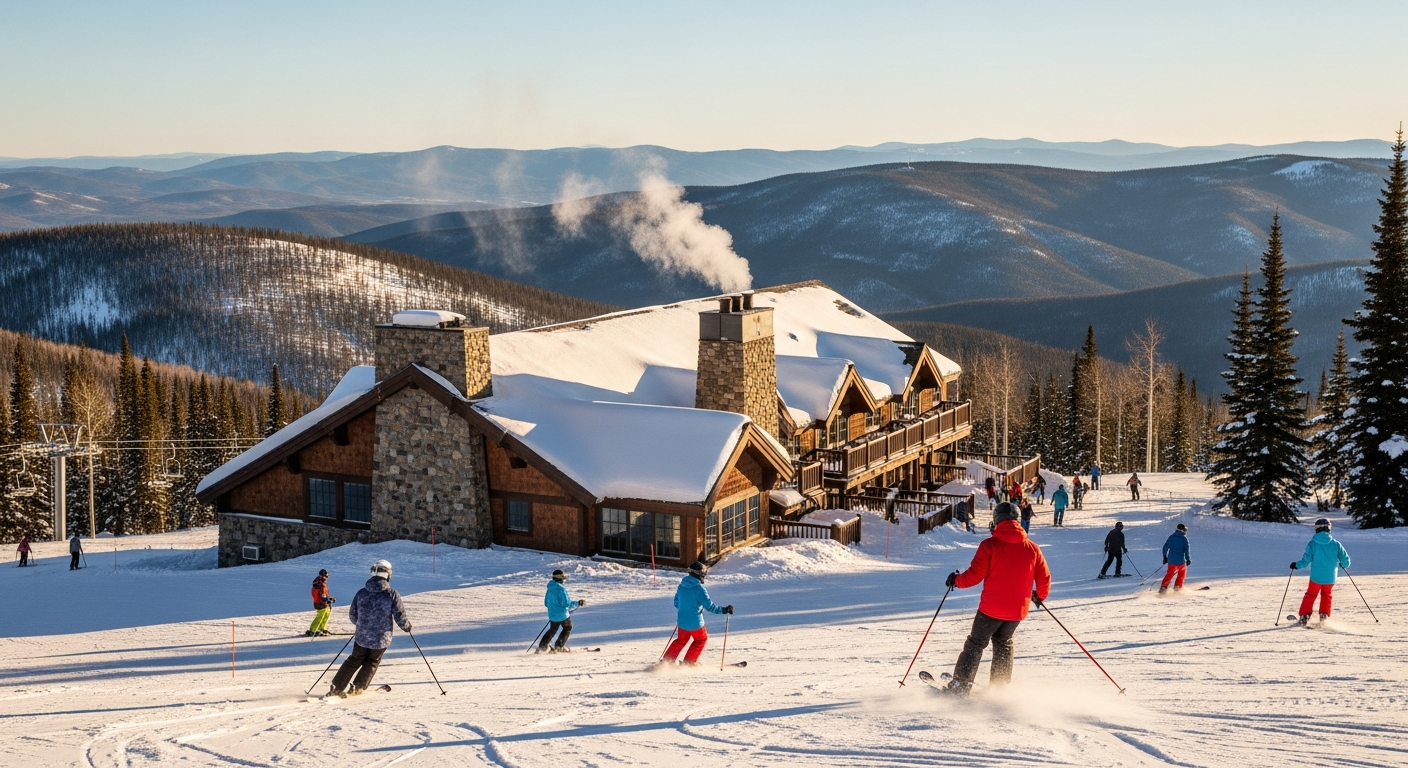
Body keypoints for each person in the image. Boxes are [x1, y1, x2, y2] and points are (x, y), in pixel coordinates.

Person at [941, 502, 1052, 696]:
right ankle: (999, 689)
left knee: (976, 643)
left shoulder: (990, 545)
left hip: (991, 609)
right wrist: (1039, 596)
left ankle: (960, 686)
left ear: (996, 520)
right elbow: (1044, 578)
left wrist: (956, 580)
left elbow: (974, 576)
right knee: (1003, 642)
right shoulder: (1032, 548)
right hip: (1017, 610)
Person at [328, 559, 410, 698]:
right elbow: (399, 614)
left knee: (354, 660)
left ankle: (336, 688)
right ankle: (357, 688)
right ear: (388, 574)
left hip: (362, 636)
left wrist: (362, 625)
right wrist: (406, 626)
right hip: (381, 638)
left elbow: (353, 614)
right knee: (372, 662)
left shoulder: (362, 593)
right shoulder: (391, 594)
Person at [662, 561, 732, 666]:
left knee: (681, 640)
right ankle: (688, 662)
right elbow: (709, 606)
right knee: (701, 640)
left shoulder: (682, 586)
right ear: (700, 574)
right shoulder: (699, 589)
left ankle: (666, 662)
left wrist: (686, 608)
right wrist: (724, 610)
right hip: (696, 623)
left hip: (682, 621)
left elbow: (677, 603)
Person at [1290, 517, 1350, 626]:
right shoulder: (1336, 544)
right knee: (1327, 595)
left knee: (1311, 594)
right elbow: (1345, 560)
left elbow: (1306, 560)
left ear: (1316, 529)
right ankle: (1324, 617)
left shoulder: (1313, 544)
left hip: (1316, 576)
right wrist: (1344, 565)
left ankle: (1304, 616)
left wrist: (1296, 565)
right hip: (1330, 577)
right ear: (1329, 528)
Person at [540, 569, 584, 653]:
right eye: (564, 577)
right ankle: (559, 646)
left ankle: (543, 646)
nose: (565, 579)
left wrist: (554, 608)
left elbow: (546, 603)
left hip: (552, 614)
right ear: (560, 578)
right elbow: (567, 604)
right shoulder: (561, 589)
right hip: (563, 615)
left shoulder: (550, 588)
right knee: (568, 627)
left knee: (552, 630)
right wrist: (578, 603)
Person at [1159, 523, 1191, 593]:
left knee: (1169, 574)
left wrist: (1165, 556)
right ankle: (1177, 587)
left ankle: (1163, 587)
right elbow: (1186, 550)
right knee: (1181, 573)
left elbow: (1165, 547)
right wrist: (1188, 559)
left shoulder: (1171, 537)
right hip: (1181, 561)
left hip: (1171, 560)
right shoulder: (1184, 539)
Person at [307, 569, 335, 637]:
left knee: (326, 614)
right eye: (326, 576)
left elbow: (324, 594)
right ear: (322, 576)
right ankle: (313, 630)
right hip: (320, 603)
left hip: (322, 602)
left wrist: (329, 598)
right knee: (320, 616)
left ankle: (321, 628)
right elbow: (321, 595)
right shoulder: (320, 584)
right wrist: (327, 599)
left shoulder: (322, 583)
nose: (327, 577)